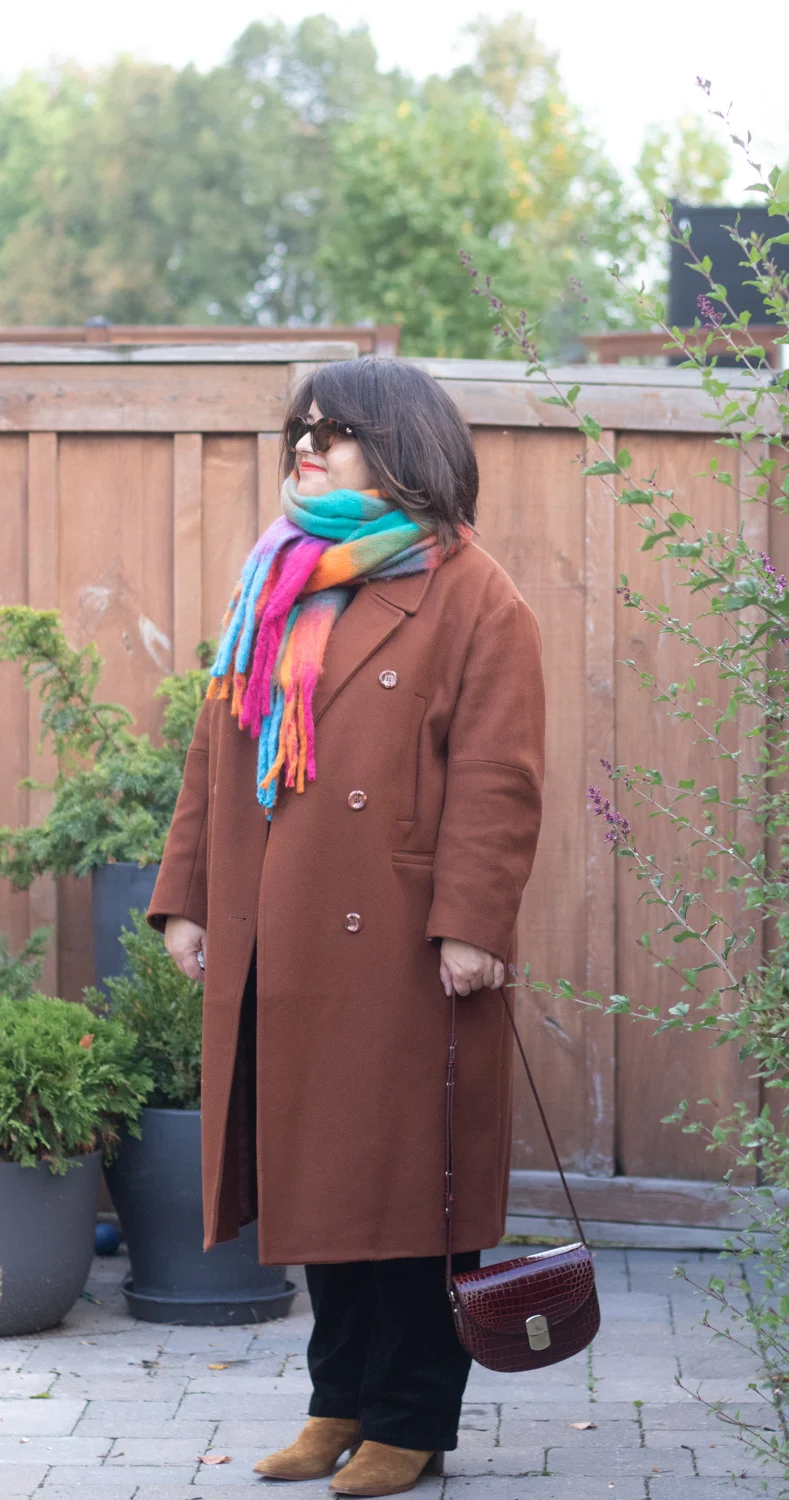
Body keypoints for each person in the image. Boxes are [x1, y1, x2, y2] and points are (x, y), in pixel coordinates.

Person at [147, 356, 545, 1496]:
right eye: (300, 431)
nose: (306, 448)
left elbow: (499, 777)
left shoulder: (473, 591)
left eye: (335, 431)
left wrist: (471, 921)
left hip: (407, 944)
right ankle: (339, 1402)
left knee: (407, 1188)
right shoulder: (280, 578)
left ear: (405, 442)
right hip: (286, 933)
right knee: (321, 1175)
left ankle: (411, 1419)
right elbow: (214, 755)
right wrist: (186, 893)